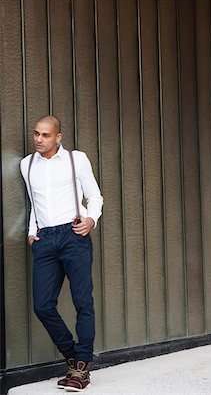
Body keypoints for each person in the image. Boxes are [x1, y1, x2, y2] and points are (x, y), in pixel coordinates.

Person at [20, 115, 103, 392]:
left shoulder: (76, 159)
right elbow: (35, 203)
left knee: (82, 302)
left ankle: (81, 368)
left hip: (73, 235)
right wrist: (32, 233)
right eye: (36, 134)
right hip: (45, 239)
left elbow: (95, 195)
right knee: (42, 305)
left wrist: (91, 220)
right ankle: (72, 355)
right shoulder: (26, 164)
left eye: (45, 135)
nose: (38, 139)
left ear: (58, 137)